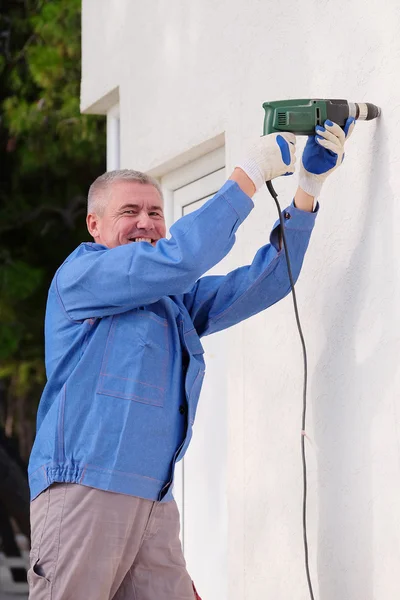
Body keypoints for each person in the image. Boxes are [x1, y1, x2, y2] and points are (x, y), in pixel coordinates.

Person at [27, 118, 355, 600]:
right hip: (86, 488)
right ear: (94, 225)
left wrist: (306, 191)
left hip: (155, 499)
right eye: (130, 211)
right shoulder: (81, 277)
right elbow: (181, 257)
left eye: (156, 213)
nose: (146, 222)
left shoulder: (172, 301)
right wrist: (248, 174)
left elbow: (264, 283)